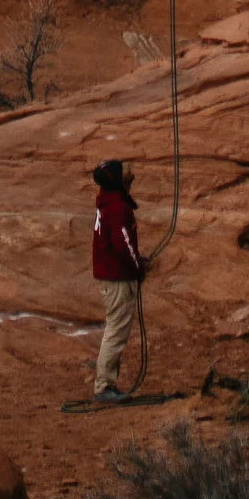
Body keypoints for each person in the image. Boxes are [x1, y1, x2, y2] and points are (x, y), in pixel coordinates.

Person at [90, 157, 144, 402]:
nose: (129, 177)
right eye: (124, 174)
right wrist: (137, 267)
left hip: (112, 274)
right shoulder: (117, 208)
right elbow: (123, 245)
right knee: (116, 330)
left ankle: (106, 384)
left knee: (116, 328)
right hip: (117, 278)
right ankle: (104, 387)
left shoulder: (108, 203)